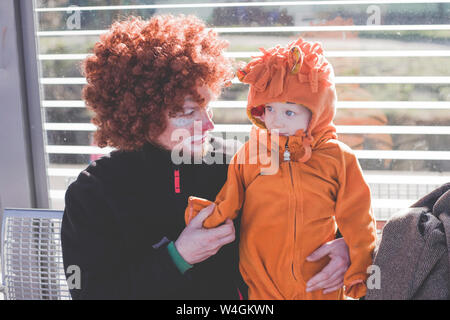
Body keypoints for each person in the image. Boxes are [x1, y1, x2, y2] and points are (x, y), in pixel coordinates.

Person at [61, 14, 351, 300]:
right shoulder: (94, 193)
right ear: (141, 114)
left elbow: (307, 215)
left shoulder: (240, 162)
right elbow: (92, 293)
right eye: (189, 113)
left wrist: (340, 247)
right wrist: (178, 257)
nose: (209, 125)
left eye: (207, 108)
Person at [185, 38, 377, 300]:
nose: (275, 120)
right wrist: (208, 219)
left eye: (290, 113)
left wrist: (360, 266)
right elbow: (230, 199)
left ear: (318, 112)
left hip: (320, 282)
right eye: (270, 109)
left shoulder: (338, 158)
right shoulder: (250, 154)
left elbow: (357, 217)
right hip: (262, 282)